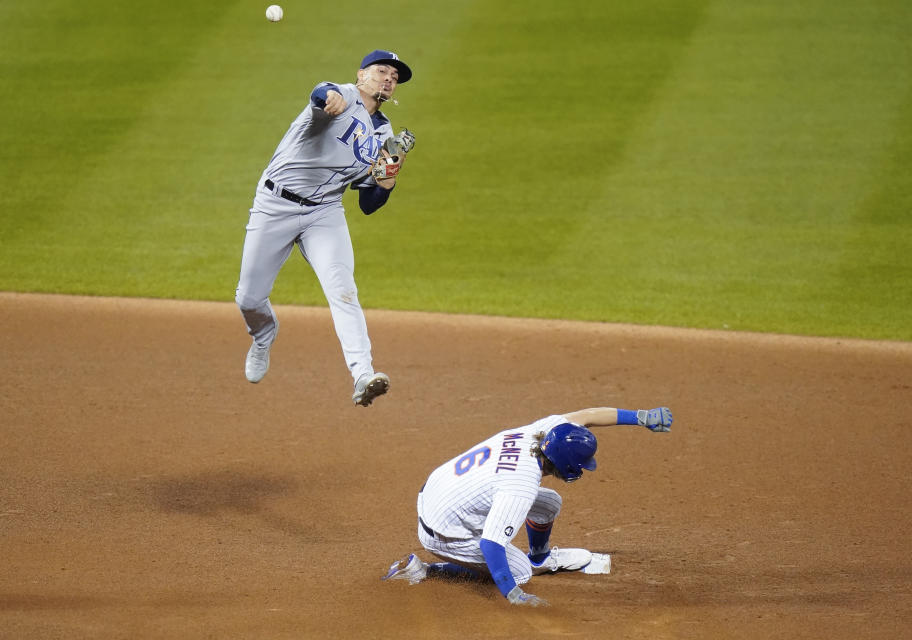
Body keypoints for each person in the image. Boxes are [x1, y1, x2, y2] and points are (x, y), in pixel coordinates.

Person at [234, 50, 415, 407]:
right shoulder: (343, 95)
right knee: (248, 298)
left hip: (325, 212)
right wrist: (326, 98)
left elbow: (367, 204)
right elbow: (321, 93)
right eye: (382, 70)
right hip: (275, 205)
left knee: (343, 289)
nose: (389, 78)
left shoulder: (384, 134)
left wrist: (388, 179)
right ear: (362, 75)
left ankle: (363, 374)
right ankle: (263, 333)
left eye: (395, 76)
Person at [382, 405, 673, 606]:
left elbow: (587, 415)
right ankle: (427, 570)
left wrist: (640, 417)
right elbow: (491, 545)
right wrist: (513, 593)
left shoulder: (541, 432)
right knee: (518, 573)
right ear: (567, 465)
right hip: (444, 531)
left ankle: (540, 556)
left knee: (549, 504)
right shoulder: (520, 484)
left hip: (441, 494)